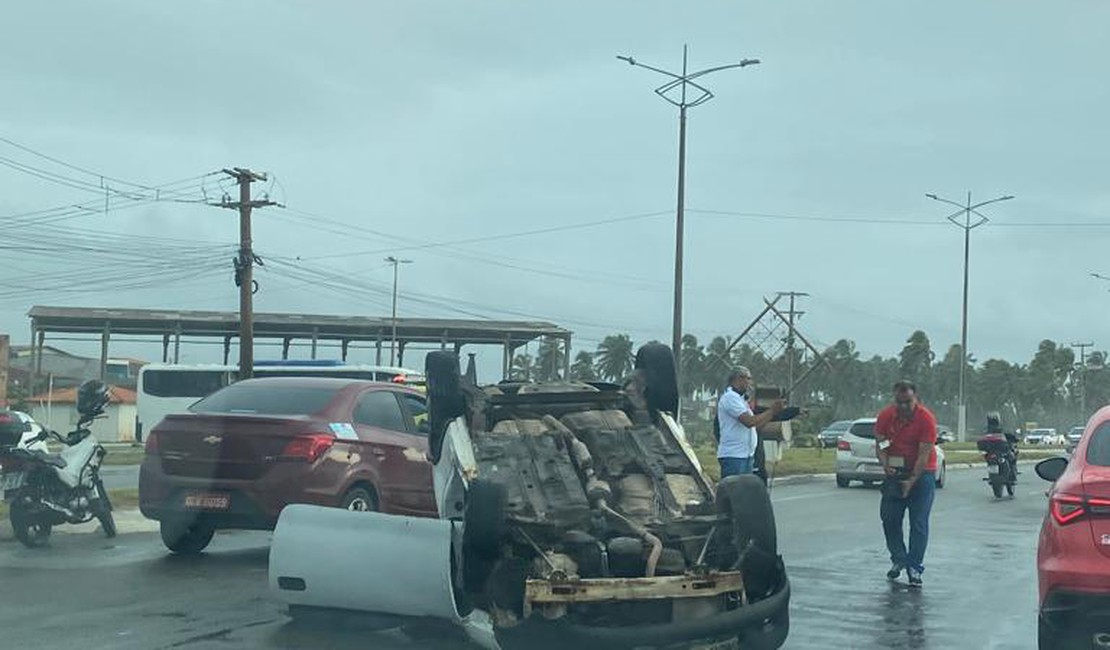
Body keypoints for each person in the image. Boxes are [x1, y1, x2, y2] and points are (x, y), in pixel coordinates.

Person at [875, 380, 938, 588]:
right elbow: (881, 444)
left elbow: (924, 454)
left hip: (922, 474)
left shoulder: (925, 419)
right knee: (889, 518)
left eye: (907, 402)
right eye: (899, 402)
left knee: (918, 522)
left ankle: (914, 566)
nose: (903, 407)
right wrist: (885, 464)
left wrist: (912, 480)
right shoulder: (886, 416)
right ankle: (898, 559)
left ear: (915, 398)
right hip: (895, 472)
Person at [716, 367, 785, 478]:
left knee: (744, 492)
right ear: (739, 379)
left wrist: (772, 414)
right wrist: (771, 410)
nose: (750, 383)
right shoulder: (730, 397)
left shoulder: (741, 399)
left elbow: (755, 426)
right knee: (735, 492)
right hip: (734, 456)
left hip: (746, 455)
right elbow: (748, 422)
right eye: (748, 379)